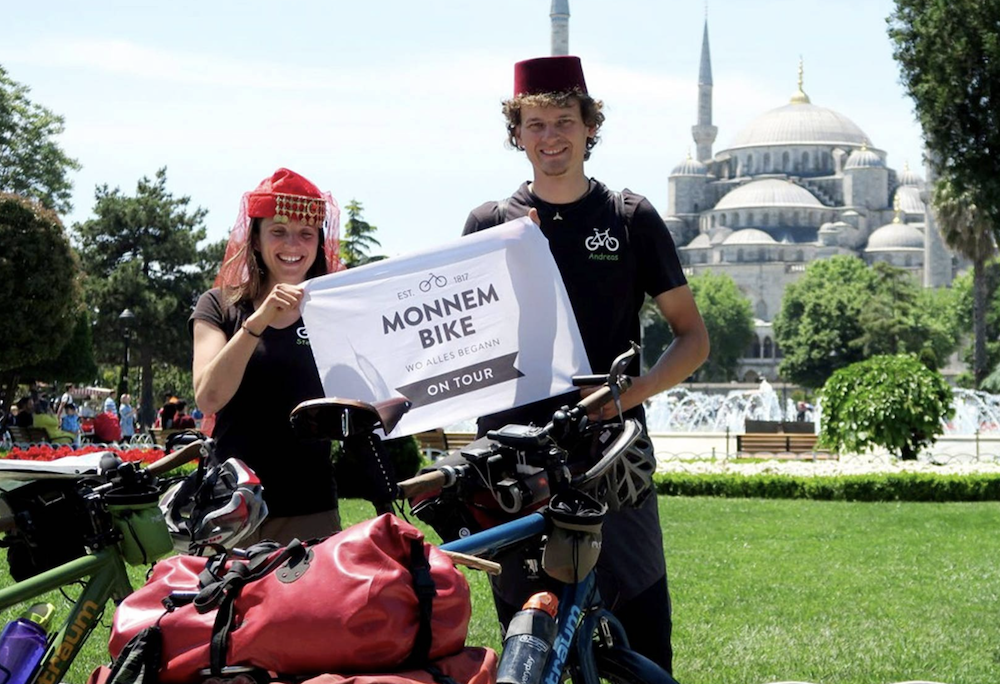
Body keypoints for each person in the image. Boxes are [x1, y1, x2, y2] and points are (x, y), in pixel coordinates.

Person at [462, 56, 709, 673]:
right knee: (530, 642)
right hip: (515, 458)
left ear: (590, 126)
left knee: (642, 635)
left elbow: (692, 339)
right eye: (535, 123)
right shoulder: (489, 225)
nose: (551, 137)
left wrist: (628, 396)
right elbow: (457, 338)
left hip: (610, 454)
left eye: (564, 120)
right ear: (516, 132)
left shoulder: (630, 218)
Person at [191, 168, 343, 544]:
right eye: (278, 231)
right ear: (255, 241)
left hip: (312, 510)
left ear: (318, 243)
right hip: (236, 508)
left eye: (306, 233)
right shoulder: (219, 307)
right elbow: (208, 397)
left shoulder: (335, 309)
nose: (293, 244)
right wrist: (258, 321)